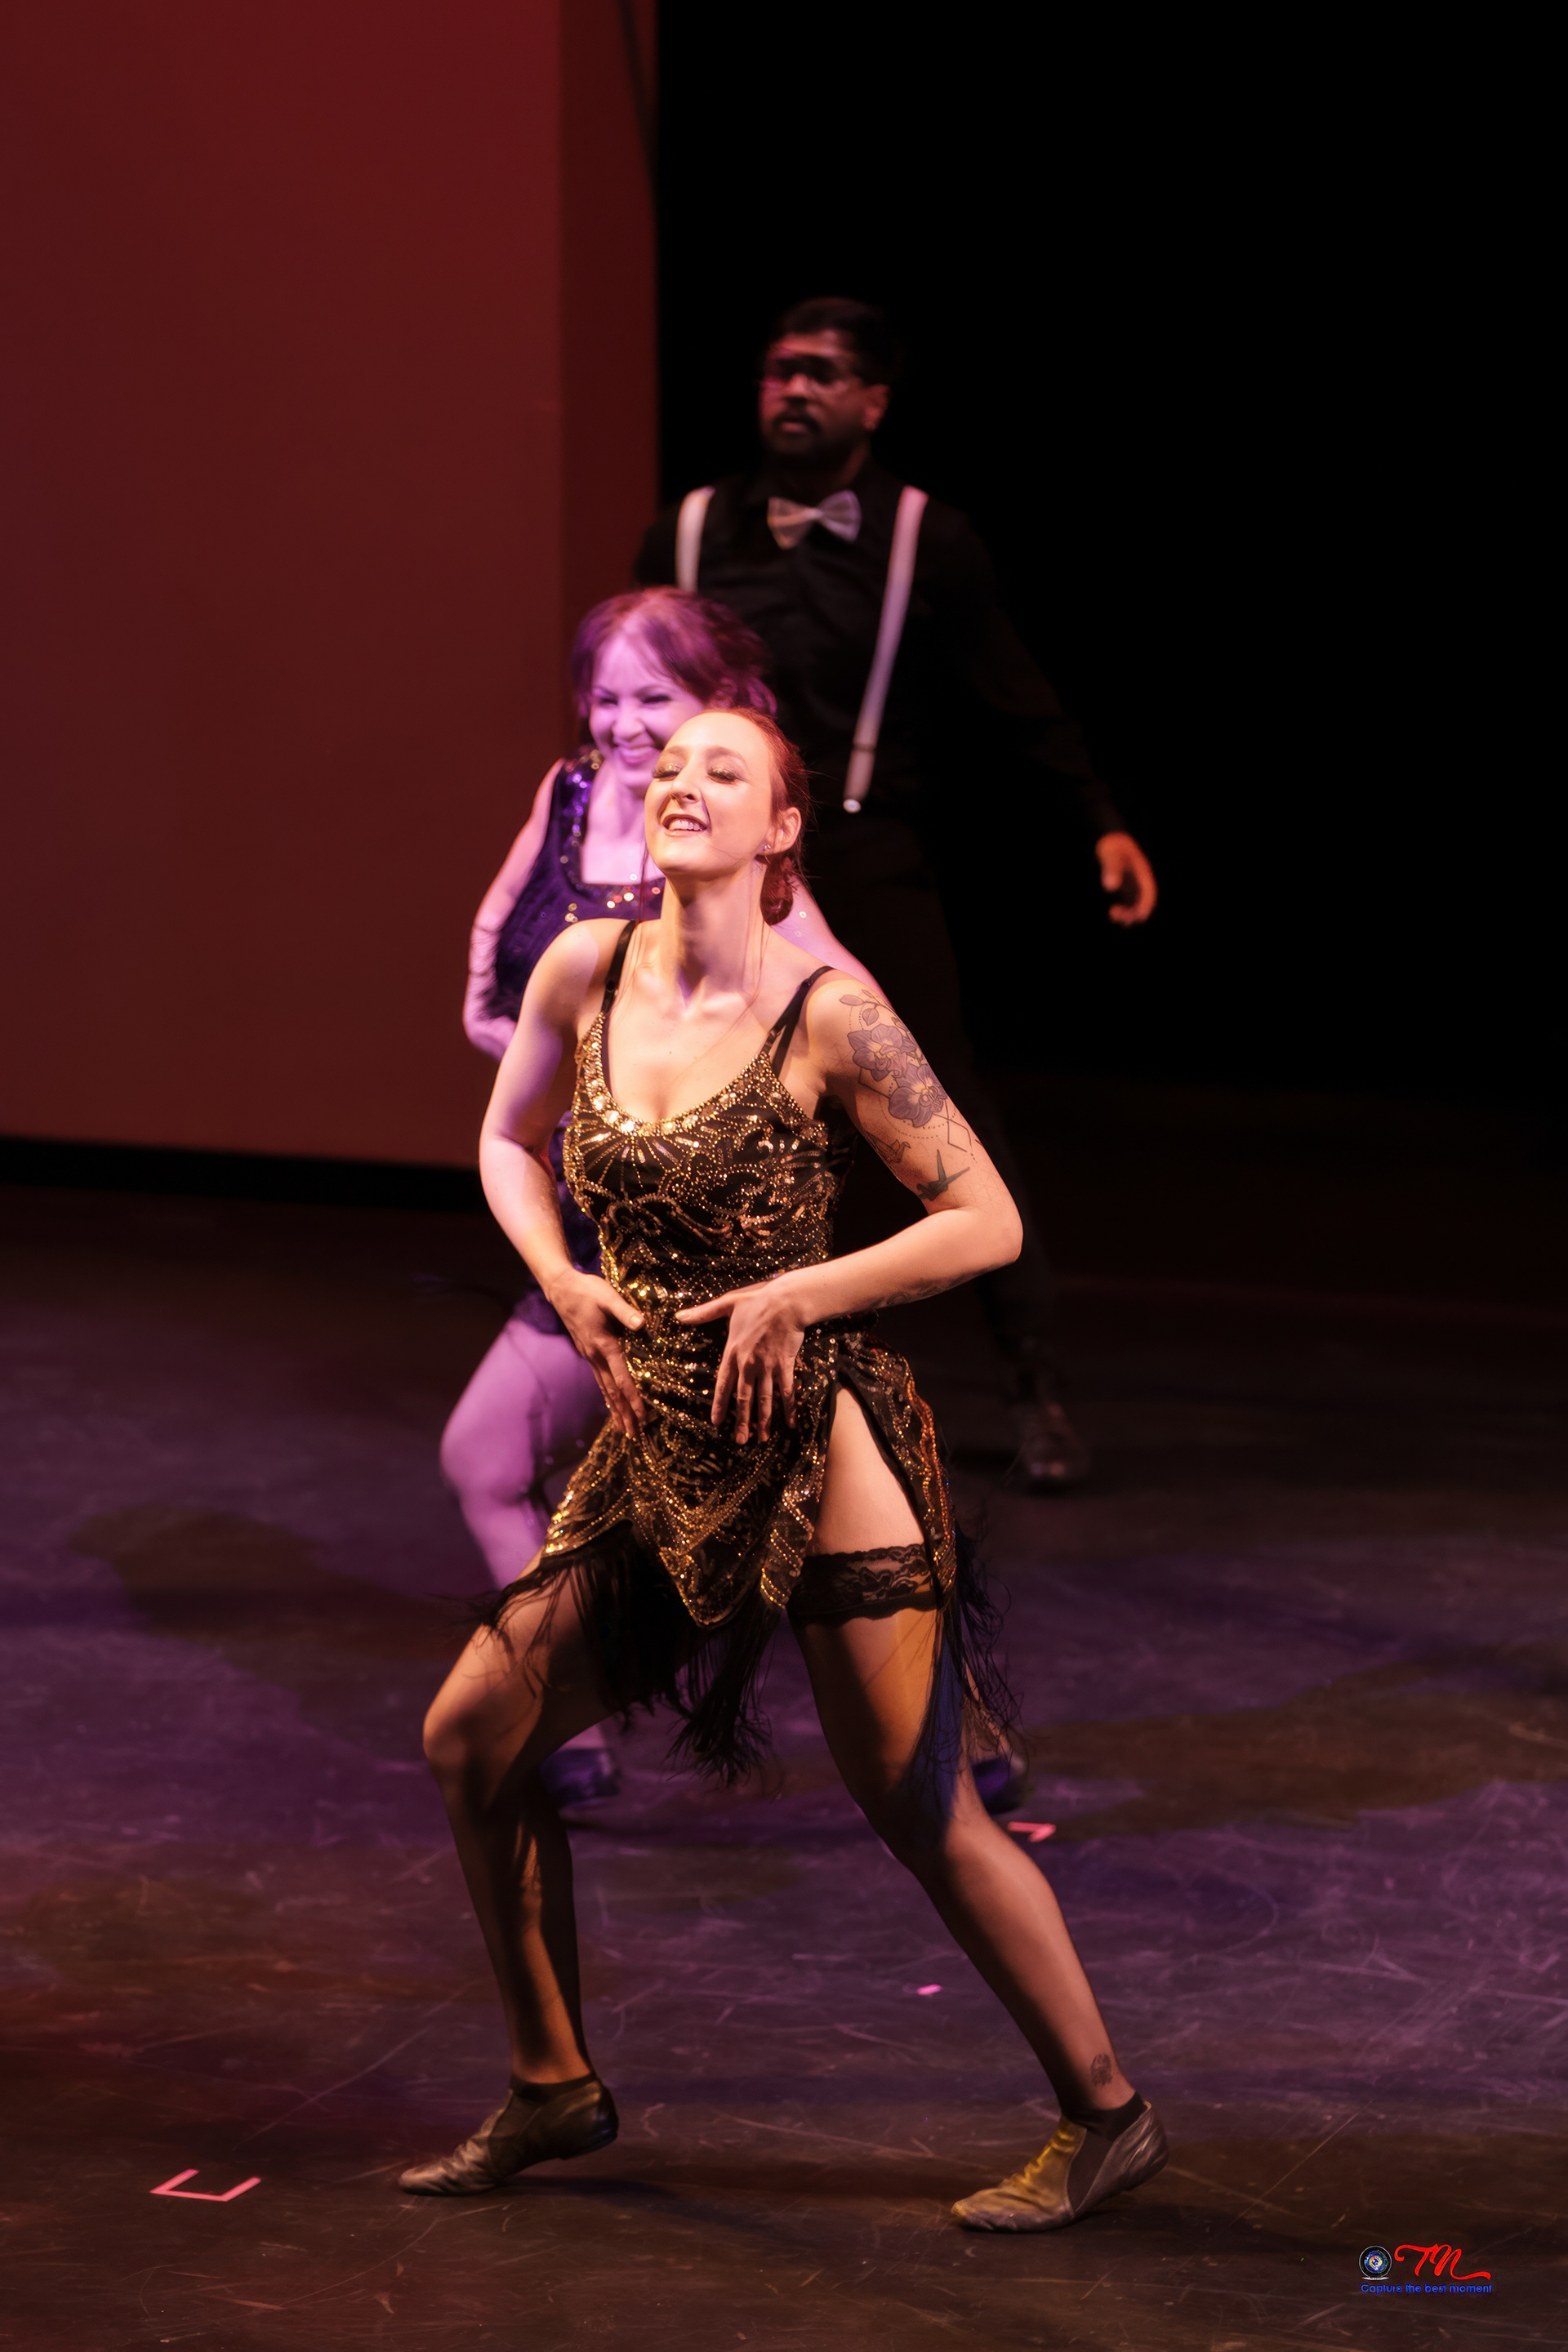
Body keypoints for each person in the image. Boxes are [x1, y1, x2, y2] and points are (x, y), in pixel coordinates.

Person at [399, 704, 1166, 2231]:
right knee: (471, 1738)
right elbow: (503, 1142)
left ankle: (1107, 2115)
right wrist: (561, 1279)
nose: (682, 782)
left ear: (783, 829)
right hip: (657, 1449)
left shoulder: (830, 1014)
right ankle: (552, 2083)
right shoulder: (583, 970)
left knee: (919, 1804)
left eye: (724, 771)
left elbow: (986, 1220)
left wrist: (800, 1295)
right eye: (669, 767)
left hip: (817, 1438)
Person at [636, 297, 1160, 1493]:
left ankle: (1033, 1382)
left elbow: (1009, 686)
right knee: (668, 1094)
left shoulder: (929, 537)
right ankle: (653, 1369)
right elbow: (634, 689)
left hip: (861, 856)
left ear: (873, 402)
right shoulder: (691, 529)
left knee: (937, 1097)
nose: (795, 390)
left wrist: (1099, 817)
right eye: (781, 369)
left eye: (823, 374)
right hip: (718, 858)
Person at [443, 587, 870, 1802]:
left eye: (657, 700)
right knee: (491, 1462)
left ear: (722, 705)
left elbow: (857, 1025)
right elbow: (492, 963)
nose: (627, 728)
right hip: (592, 1216)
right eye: (607, 698)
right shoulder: (572, 795)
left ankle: (948, 1745)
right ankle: (565, 1729)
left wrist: (721, 1108)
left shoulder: (729, 855)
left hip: (698, 1242)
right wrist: (542, 1053)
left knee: (797, 1518)